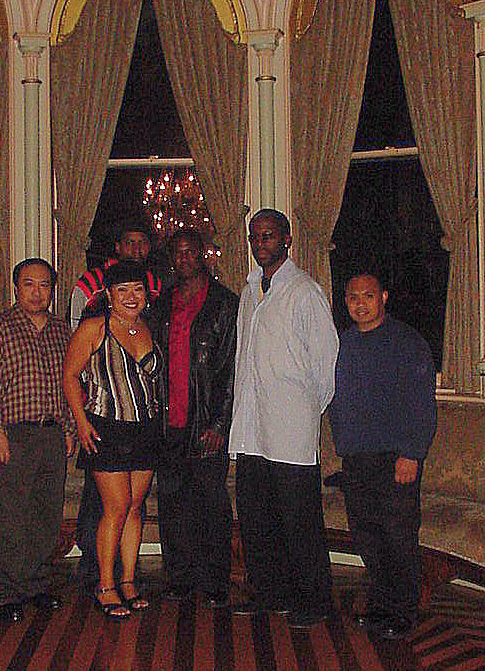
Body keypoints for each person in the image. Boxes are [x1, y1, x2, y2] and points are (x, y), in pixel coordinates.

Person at [229, 209, 339, 627]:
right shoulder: (249, 291)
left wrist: (303, 412)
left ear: (287, 239)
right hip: (252, 429)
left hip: (290, 430)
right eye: (255, 237)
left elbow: (326, 364)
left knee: (300, 522)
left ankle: (314, 600)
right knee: (257, 519)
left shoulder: (305, 292)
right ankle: (269, 593)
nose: (261, 244)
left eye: (269, 236)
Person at [328, 270, 436, 639]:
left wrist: (412, 453)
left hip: (396, 458)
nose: (360, 303)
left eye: (368, 296)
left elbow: (423, 403)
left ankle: (403, 612)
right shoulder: (343, 344)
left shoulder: (407, 342)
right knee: (367, 535)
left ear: (384, 297)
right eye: (353, 297)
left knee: (398, 537)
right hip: (357, 458)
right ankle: (380, 604)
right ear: (346, 301)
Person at [0, 258, 77, 623]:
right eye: (29, 284)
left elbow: (70, 385)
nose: (37, 292)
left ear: (52, 288)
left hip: (52, 435)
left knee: (45, 514)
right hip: (12, 436)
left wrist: (69, 428)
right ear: (16, 288)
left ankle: (36, 585)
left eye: (44, 284)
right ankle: (8, 592)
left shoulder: (62, 332)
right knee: (9, 516)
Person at [63, 261, 162, 619]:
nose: (131, 297)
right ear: (108, 294)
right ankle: (106, 585)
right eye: (123, 290)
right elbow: (70, 376)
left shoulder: (149, 327)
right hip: (106, 428)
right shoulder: (94, 327)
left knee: (135, 507)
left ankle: (129, 581)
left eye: (137, 289)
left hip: (145, 429)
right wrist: (80, 423)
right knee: (116, 508)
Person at [151, 228, 238, 607]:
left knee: (211, 505)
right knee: (172, 504)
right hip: (167, 423)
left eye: (190, 251)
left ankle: (215, 579)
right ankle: (180, 577)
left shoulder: (224, 304)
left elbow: (231, 369)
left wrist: (220, 424)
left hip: (205, 424)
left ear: (202, 254)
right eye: (178, 252)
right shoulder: (162, 304)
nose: (184, 258)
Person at [69, 220, 162, 331]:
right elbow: (75, 323)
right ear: (118, 247)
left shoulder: (154, 282)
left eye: (142, 243)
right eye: (130, 243)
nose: (137, 249)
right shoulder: (93, 280)